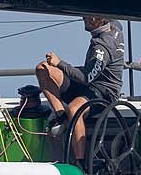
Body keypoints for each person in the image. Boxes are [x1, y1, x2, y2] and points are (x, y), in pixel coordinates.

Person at [35, 16, 124, 164]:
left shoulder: (102, 47)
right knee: (43, 68)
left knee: (74, 109)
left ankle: (80, 162)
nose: (83, 18)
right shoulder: (115, 26)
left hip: (104, 92)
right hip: (88, 85)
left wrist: (60, 63)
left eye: (86, 17)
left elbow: (87, 77)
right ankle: (60, 116)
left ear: (96, 20)